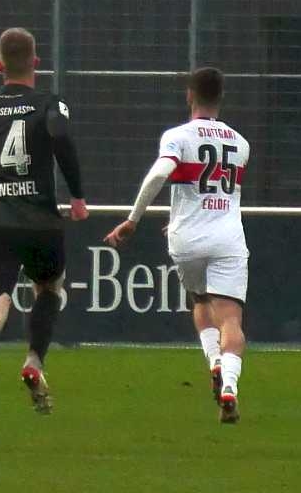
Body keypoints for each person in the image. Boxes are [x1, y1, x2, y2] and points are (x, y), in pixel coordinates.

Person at [0, 28, 88, 452]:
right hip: (40, 224)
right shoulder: (49, 103)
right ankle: (34, 359)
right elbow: (61, 136)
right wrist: (77, 196)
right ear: (36, 62)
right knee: (49, 287)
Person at [104, 67, 249, 424]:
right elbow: (221, 193)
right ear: (221, 97)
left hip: (187, 239)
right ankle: (230, 387)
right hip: (228, 238)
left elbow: (160, 173)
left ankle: (214, 363)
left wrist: (133, 219)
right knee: (230, 318)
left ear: (189, 95)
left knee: (199, 301)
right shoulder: (241, 143)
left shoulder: (178, 137)